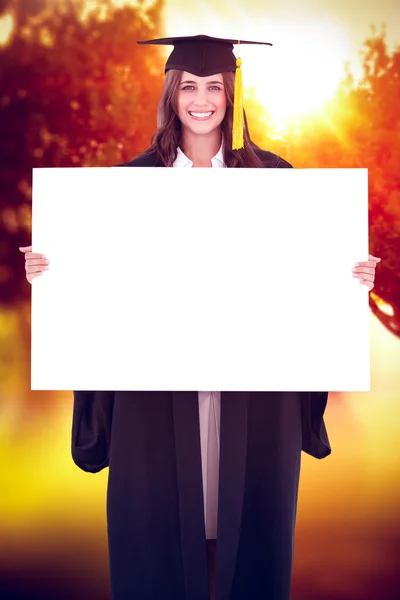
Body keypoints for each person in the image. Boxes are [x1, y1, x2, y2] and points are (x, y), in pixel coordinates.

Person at [19, 35, 381, 600]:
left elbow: (309, 274)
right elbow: (98, 283)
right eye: (189, 87)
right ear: (172, 94)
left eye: (214, 86)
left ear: (231, 94)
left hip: (255, 394)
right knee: (160, 540)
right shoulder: (131, 186)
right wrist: (52, 270)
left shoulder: (274, 180)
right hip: (156, 393)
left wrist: (350, 276)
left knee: (248, 535)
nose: (202, 99)